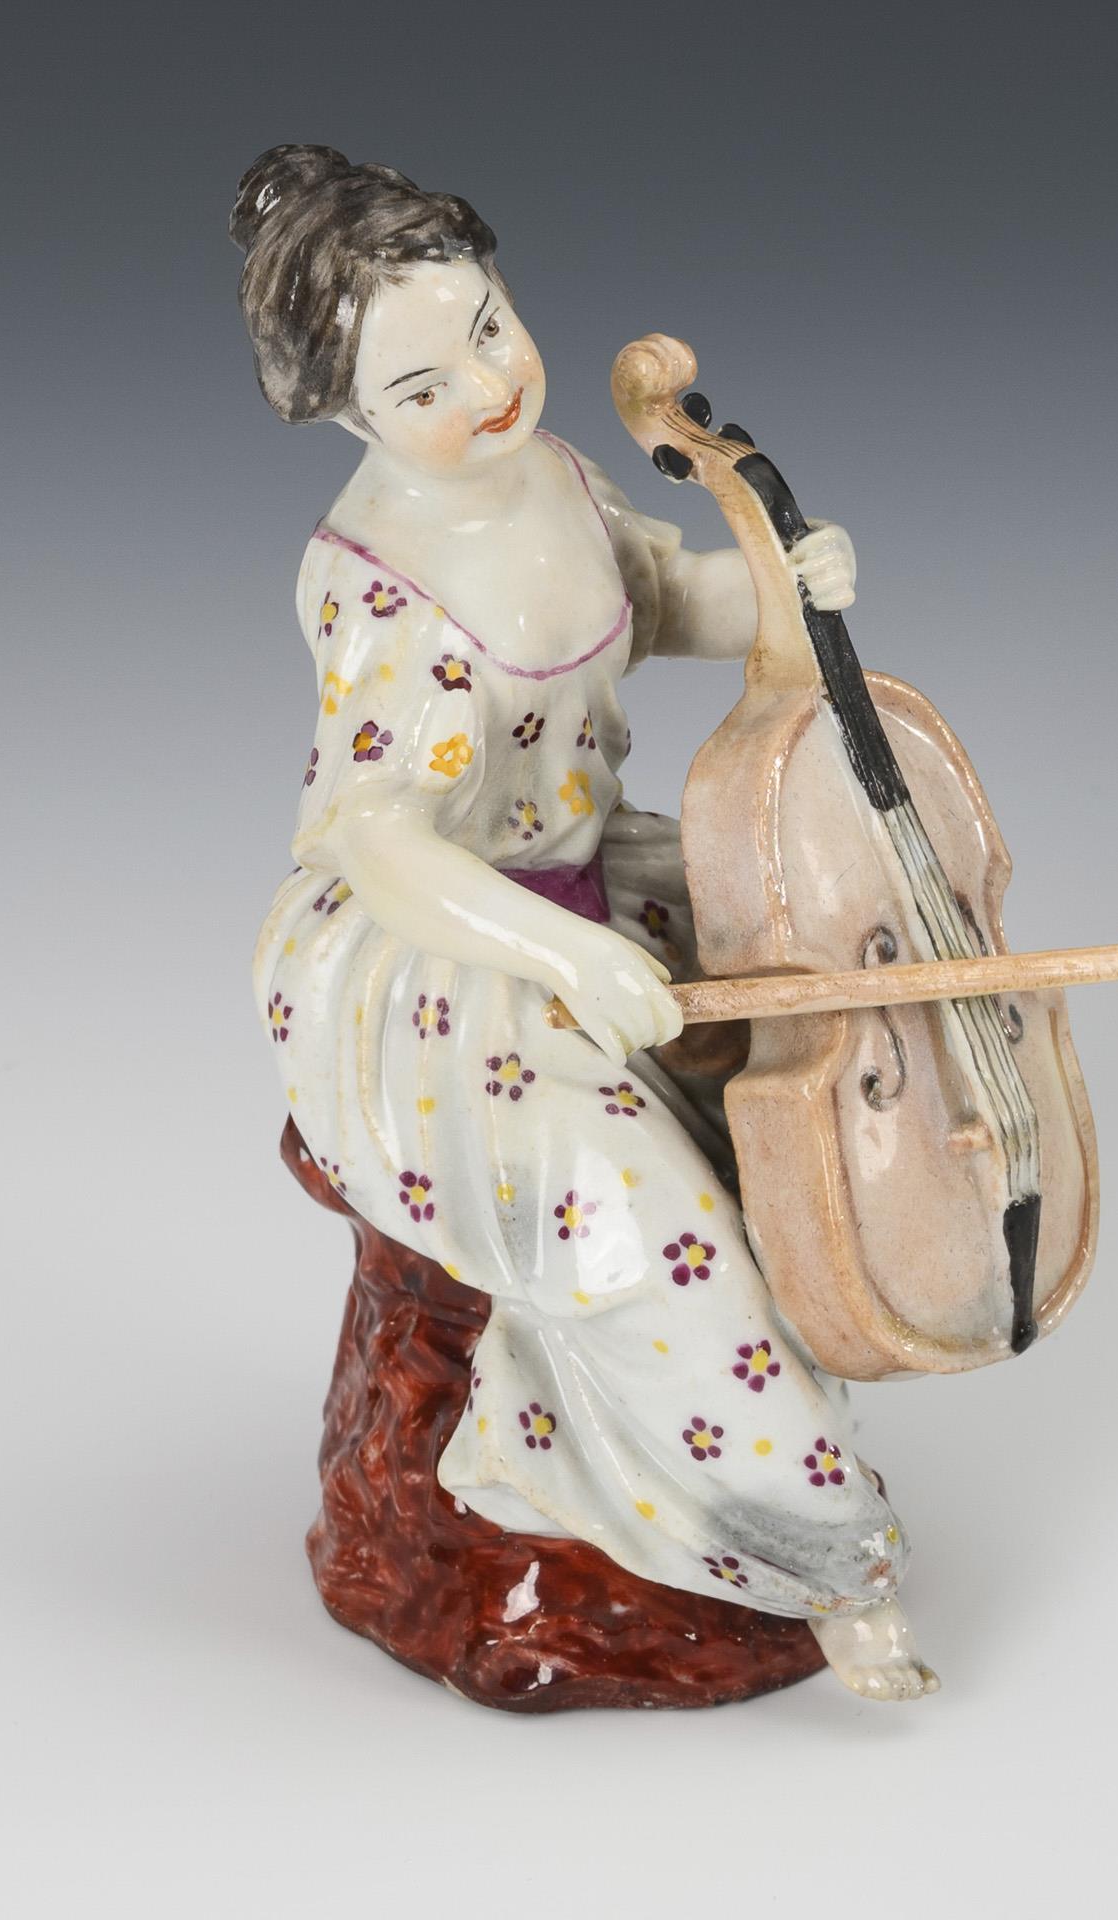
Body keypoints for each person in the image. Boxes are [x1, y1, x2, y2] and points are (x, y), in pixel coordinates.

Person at [234, 145, 937, 1699]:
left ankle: (702, 1411)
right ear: (349, 415)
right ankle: (814, 1554)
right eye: (422, 385)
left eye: (490, 328)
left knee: (815, 981)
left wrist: (784, 585)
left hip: (586, 882)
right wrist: (567, 956)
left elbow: (661, 599)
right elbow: (379, 842)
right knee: (648, 1232)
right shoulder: (381, 590)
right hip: (440, 960)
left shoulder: (549, 473)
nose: (489, 388)